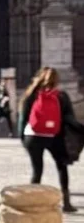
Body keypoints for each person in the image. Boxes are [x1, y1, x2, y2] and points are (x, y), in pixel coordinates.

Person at [19, 66, 84, 213]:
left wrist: (22, 137)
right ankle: (66, 203)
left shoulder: (31, 95)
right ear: (57, 80)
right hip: (54, 136)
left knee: (37, 170)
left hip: (32, 136)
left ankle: (32, 203)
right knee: (62, 167)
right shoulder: (61, 96)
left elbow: (23, 118)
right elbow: (69, 118)